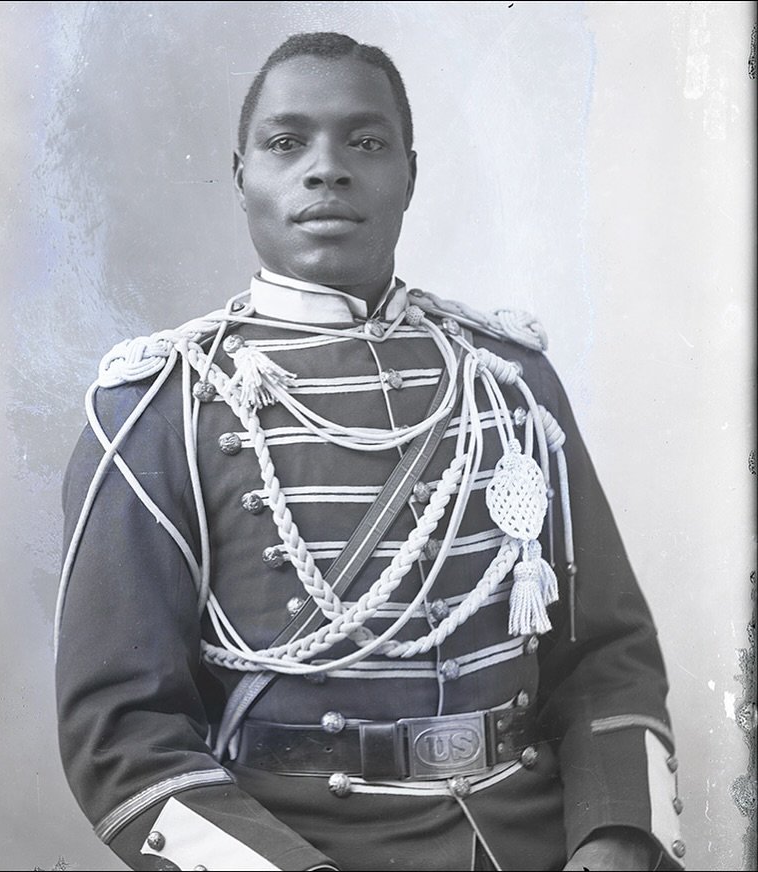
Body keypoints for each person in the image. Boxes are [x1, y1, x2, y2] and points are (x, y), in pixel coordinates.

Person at [55, 32, 686, 872]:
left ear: (411, 174)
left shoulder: (510, 382)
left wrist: (616, 837)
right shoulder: (156, 409)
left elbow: (606, 656)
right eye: (287, 143)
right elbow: (123, 736)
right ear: (241, 173)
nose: (327, 169)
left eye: (366, 141)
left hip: (539, 844)